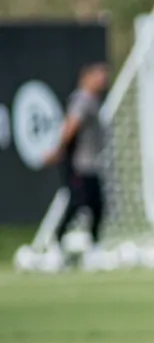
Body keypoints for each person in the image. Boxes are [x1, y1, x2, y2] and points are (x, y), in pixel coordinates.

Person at [46, 61, 110, 253]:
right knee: (77, 203)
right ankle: (56, 243)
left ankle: (94, 246)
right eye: (99, 75)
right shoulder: (82, 99)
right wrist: (58, 150)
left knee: (97, 204)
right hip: (79, 163)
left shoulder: (93, 99)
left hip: (91, 163)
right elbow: (71, 126)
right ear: (87, 77)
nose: (103, 80)